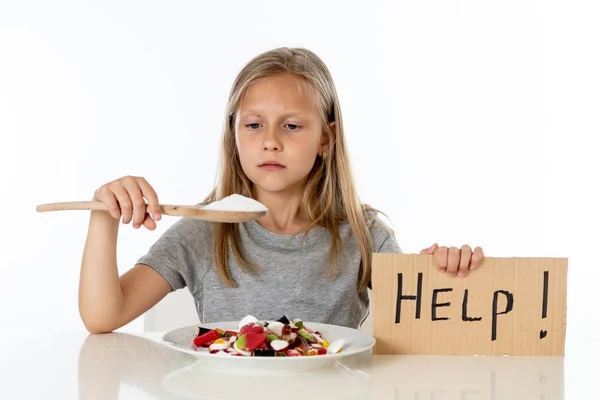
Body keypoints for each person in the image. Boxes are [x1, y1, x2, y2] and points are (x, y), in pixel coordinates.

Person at [79, 47, 484, 334]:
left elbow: (423, 324)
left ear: (326, 139)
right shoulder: (204, 232)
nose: (270, 141)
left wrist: (447, 274)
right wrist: (104, 213)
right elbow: (103, 317)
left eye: (291, 125)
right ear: (234, 135)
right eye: (254, 125)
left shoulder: (365, 234)